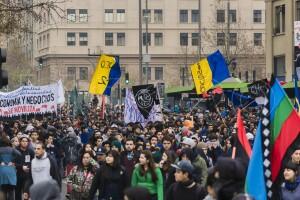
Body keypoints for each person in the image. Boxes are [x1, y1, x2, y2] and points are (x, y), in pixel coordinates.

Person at [0, 134, 21, 200]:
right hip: (11, 170)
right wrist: (13, 161)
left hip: (2, 170)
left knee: (2, 190)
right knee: (11, 191)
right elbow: (19, 154)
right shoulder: (12, 149)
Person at [15, 135, 35, 200]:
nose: (24, 142)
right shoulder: (16, 150)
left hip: (27, 175)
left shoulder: (30, 151)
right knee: (17, 192)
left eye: (26, 141)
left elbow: (34, 161)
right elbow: (13, 163)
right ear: (20, 142)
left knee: (26, 192)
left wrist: (29, 166)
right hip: (18, 174)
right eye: (23, 141)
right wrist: (21, 167)